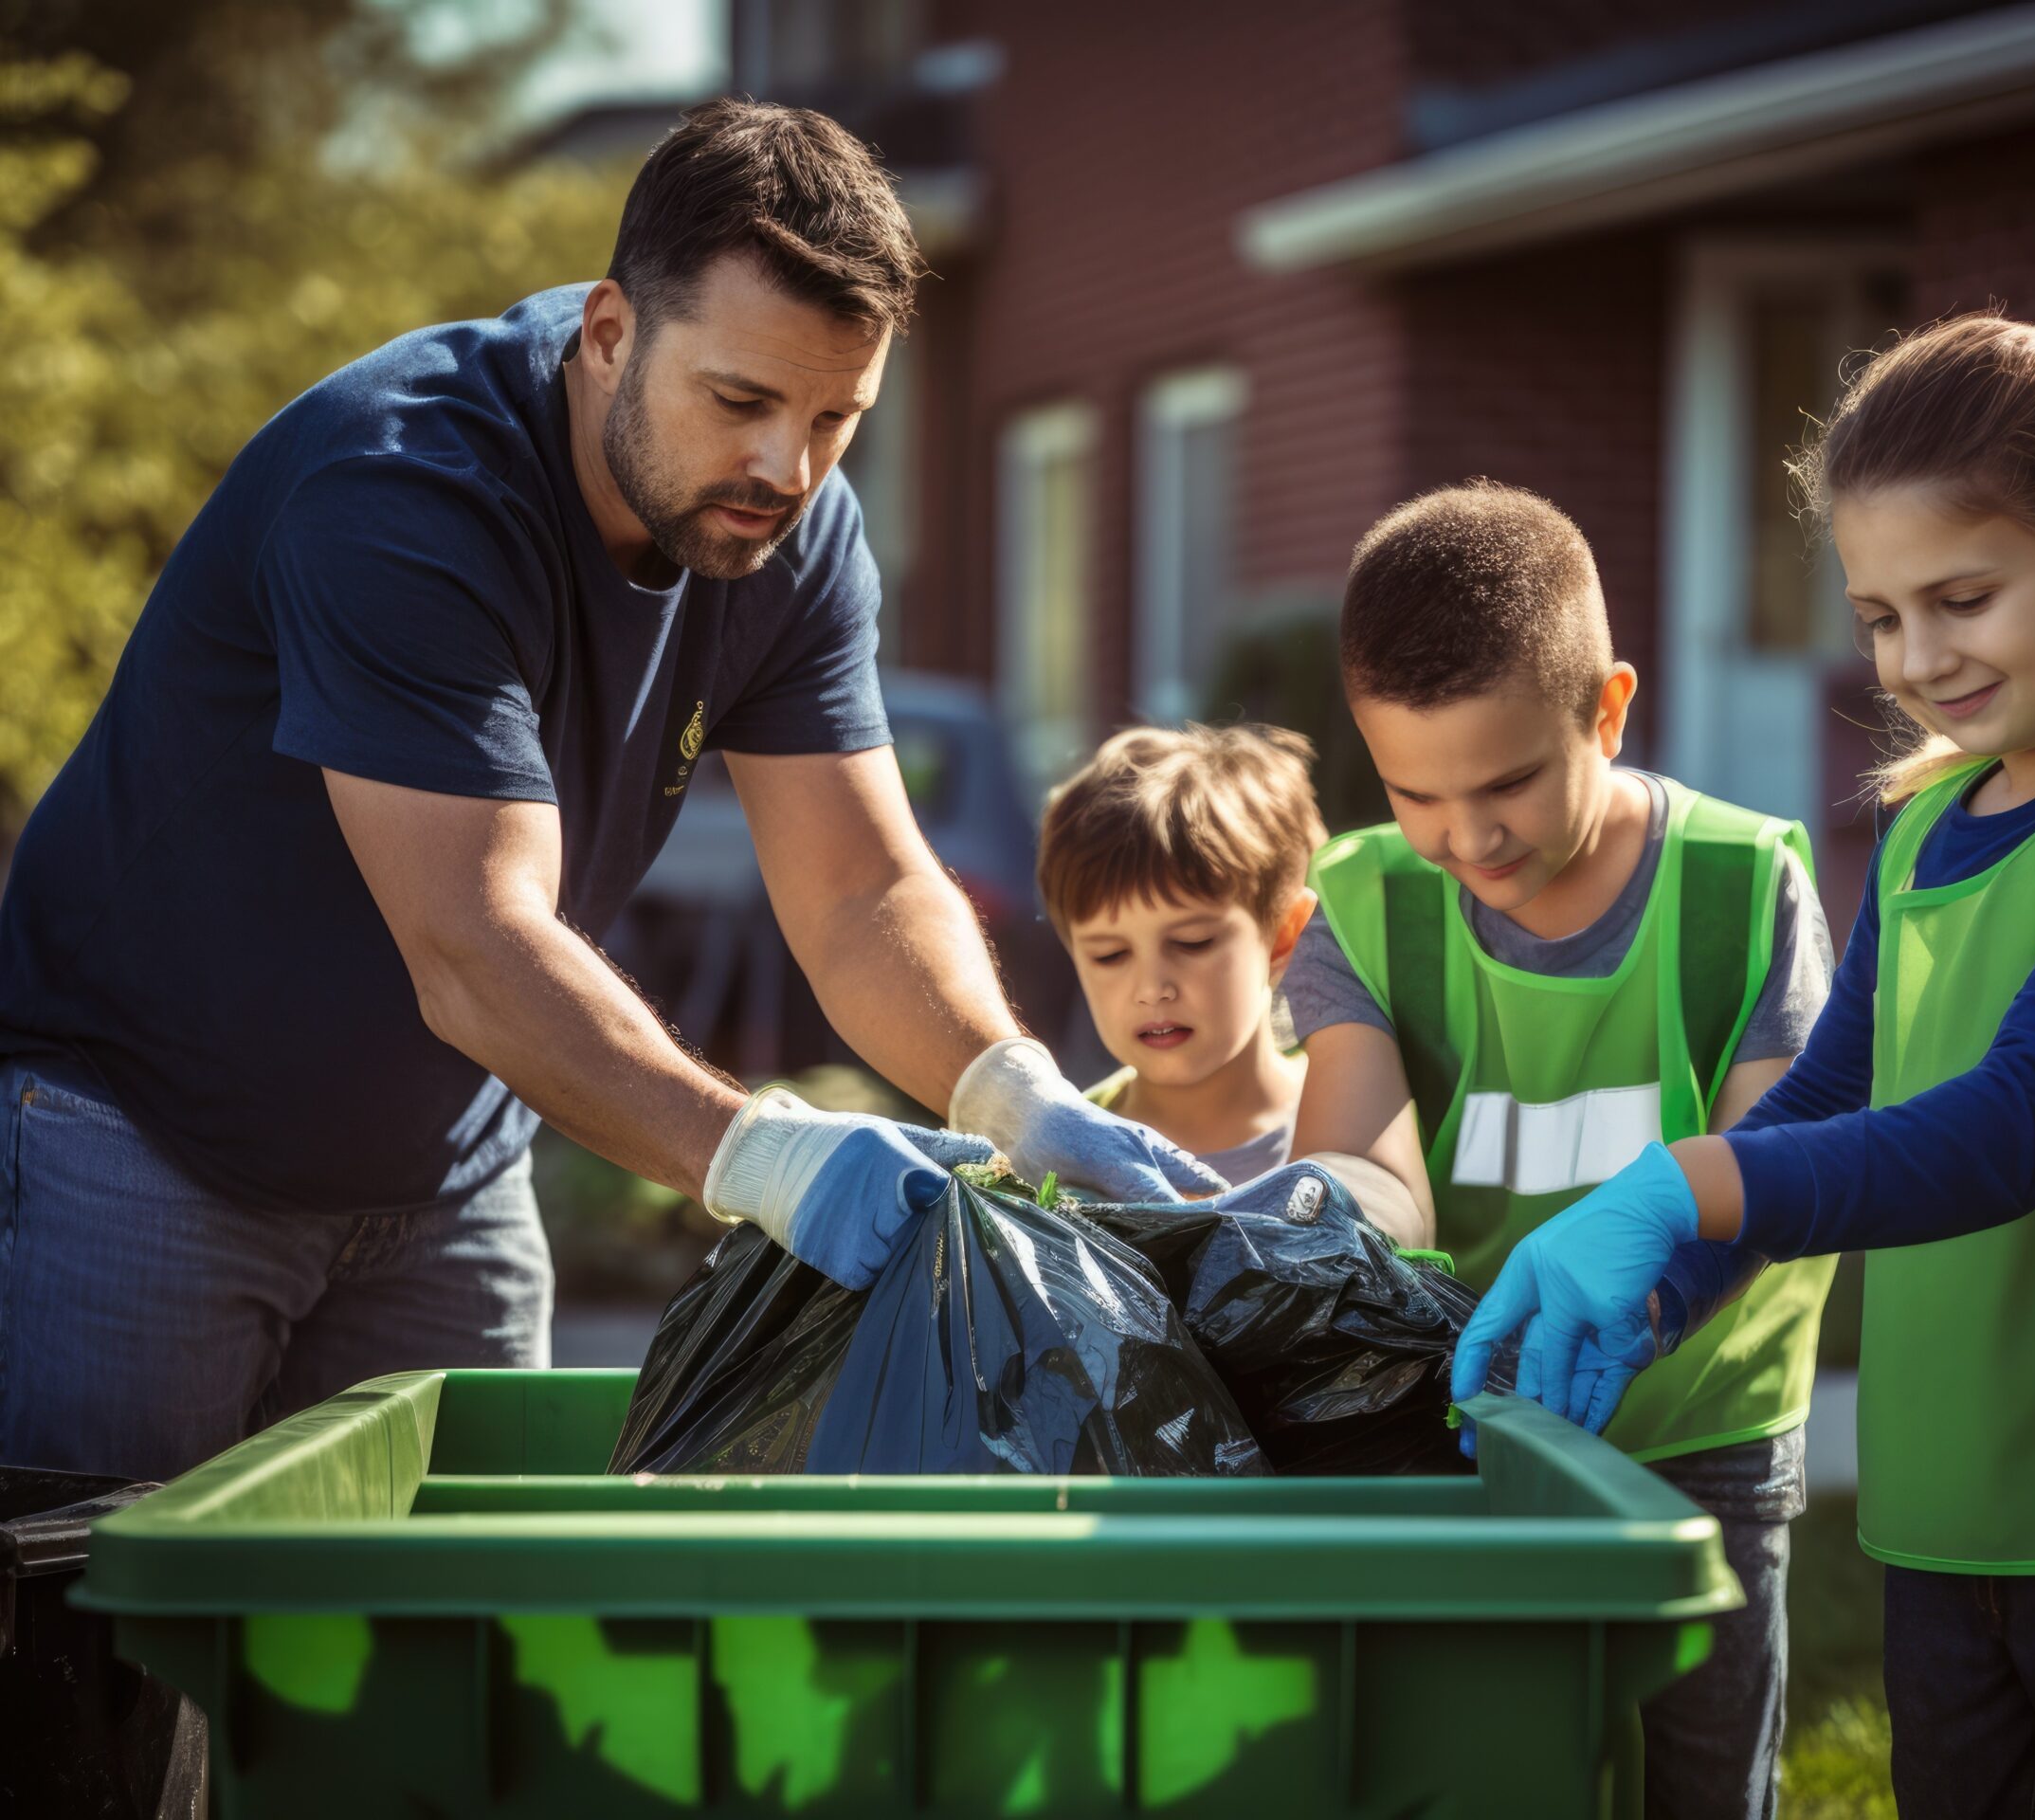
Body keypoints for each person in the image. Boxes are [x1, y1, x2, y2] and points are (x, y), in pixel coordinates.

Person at [0, 100, 1220, 1485]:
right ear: (608, 334)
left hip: (443, 1178)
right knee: (101, 1657)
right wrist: (763, 1157)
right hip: (149, 1148)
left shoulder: (792, 533)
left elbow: (861, 886)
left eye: (838, 416)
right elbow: (476, 944)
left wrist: (1006, 1086)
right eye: (744, 402)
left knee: (455, 1664)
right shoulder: (402, 495)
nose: (790, 467)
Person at [1455, 315, 2035, 1818]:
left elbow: (2017, 1126)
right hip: (1949, 1518)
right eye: (1882, 617)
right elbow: (1835, 1100)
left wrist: (1680, 1183)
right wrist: (1665, 1286)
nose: (1920, 659)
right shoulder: (1933, 826)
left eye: (1964, 599)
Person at [1284, 481, 1839, 1820]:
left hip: (1703, 1426)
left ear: (1609, 708)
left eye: (1510, 783)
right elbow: (1371, 1171)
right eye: (1415, 792)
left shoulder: (1739, 883)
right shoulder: (1363, 901)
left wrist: (1648, 1310)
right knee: (1490, 1771)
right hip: (1473, 1425)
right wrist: (1293, 1215)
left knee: (1704, 1781)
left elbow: (1779, 1168)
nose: (1466, 839)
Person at [1036, 723, 1326, 1185]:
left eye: (1193, 943)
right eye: (1110, 955)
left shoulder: (1358, 1123)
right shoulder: (1058, 1159)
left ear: (1286, 933)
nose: (1153, 989)